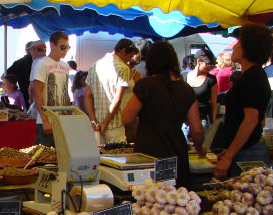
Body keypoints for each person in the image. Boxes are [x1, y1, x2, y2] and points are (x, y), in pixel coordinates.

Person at [121, 41, 205, 188]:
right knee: (175, 197)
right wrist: (199, 149)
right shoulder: (186, 89)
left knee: (149, 197)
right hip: (175, 151)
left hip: (148, 153)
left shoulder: (145, 85)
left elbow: (126, 118)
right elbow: (197, 130)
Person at [214, 23, 273, 179]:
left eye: (239, 43)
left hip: (249, 152)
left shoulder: (253, 77)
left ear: (248, 47)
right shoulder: (250, 75)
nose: (234, 46)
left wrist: (229, 156)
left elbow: (251, 120)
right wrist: (230, 150)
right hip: (244, 150)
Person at [84, 38, 137, 144]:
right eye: (130, 56)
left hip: (97, 128)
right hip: (115, 126)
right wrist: (105, 123)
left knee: (99, 154)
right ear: (123, 51)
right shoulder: (123, 68)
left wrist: (94, 121)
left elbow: (88, 96)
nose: (129, 60)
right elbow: (117, 99)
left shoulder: (94, 66)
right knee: (118, 154)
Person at [29, 31, 71, 146]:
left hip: (61, 121)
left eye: (68, 47)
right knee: (45, 155)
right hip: (46, 121)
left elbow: (65, 92)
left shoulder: (65, 65)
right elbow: (37, 92)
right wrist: (45, 120)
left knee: (62, 154)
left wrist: (69, 117)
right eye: (63, 47)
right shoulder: (42, 63)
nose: (65, 50)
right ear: (52, 45)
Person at [6, 40, 47, 110]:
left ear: (26, 50)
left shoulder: (18, 63)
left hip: (24, 95)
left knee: (29, 114)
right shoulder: (42, 62)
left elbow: (5, 76)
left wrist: (14, 86)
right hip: (42, 95)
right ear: (31, 50)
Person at [186, 49, 218, 126]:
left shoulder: (211, 80)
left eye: (212, 64)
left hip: (202, 119)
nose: (210, 66)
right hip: (186, 120)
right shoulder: (185, 76)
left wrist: (214, 121)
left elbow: (214, 103)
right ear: (199, 61)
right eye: (208, 64)